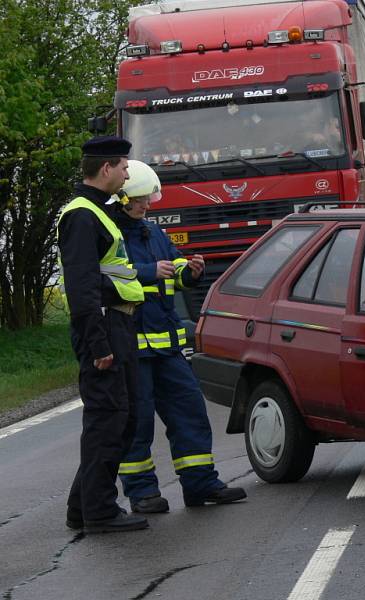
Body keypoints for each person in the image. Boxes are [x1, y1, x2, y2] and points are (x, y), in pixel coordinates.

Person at [115, 160, 247, 513]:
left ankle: (200, 484)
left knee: (190, 413)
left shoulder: (152, 232)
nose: (147, 205)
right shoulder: (108, 235)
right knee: (137, 423)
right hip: (132, 349)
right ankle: (142, 493)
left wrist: (190, 271)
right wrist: (146, 272)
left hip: (168, 348)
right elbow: (105, 277)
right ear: (122, 198)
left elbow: (172, 270)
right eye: (141, 199)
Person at [58, 136, 149, 533]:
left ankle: (83, 506)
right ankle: (98, 511)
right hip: (105, 328)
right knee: (108, 419)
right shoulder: (81, 215)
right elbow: (82, 288)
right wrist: (98, 344)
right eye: (124, 166)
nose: (128, 172)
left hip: (118, 324)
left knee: (118, 419)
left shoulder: (98, 211)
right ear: (107, 168)